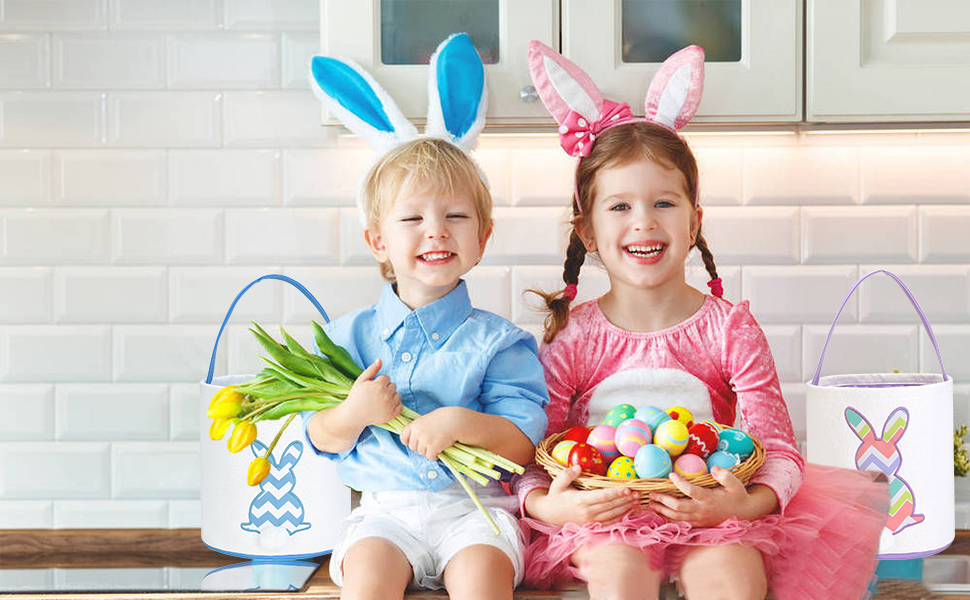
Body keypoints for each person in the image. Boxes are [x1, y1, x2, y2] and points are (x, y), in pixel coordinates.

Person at [511, 41, 889, 600]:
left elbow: (778, 450)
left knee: (734, 580)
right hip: (606, 520)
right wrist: (550, 503)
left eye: (664, 203)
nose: (644, 222)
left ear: (694, 222)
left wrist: (742, 503)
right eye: (619, 206)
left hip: (715, 515)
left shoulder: (728, 328)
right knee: (618, 576)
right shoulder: (575, 338)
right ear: (587, 232)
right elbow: (531, 454)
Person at [305, 34, 549, 600]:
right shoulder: (348, 337)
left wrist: (461, 423)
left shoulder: (501, 343)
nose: (436, 230)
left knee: (483, 581)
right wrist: (354, 412)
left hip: (477, 512)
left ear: (483, 237)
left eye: (456, 215)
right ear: (377, 241)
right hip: (384, 516)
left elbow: (521, 443)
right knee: (367, 580)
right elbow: (320, 437)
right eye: (412, 218)